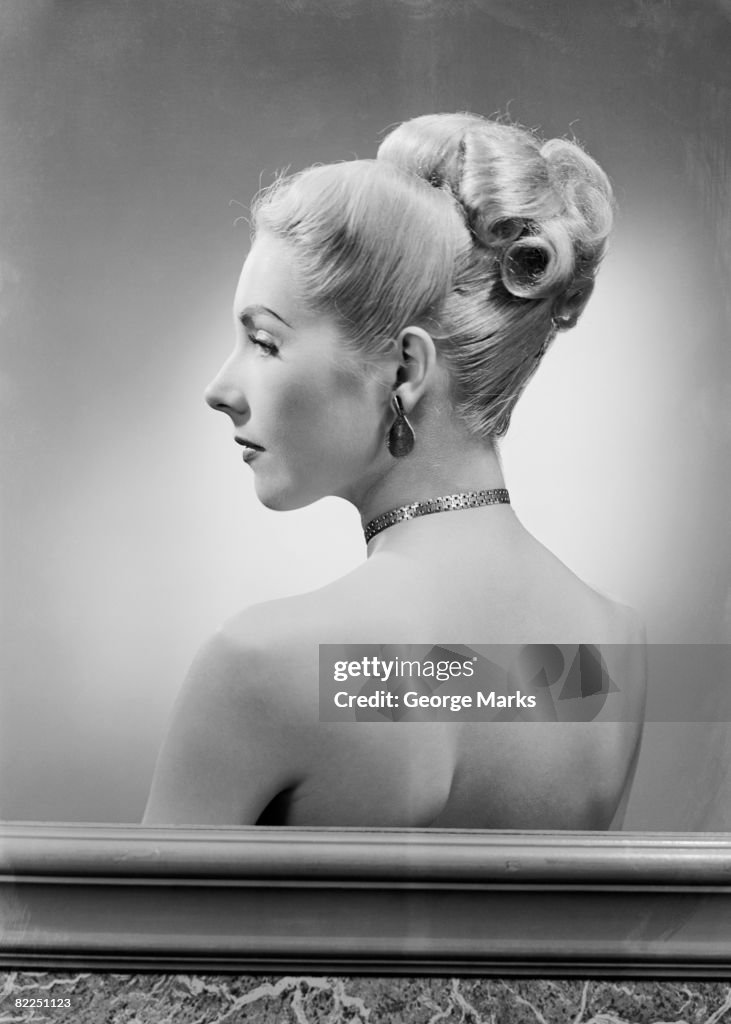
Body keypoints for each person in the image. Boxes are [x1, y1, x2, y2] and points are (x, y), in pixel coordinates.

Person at [143, 112, 646, 829]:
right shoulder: (609, 652)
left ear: (406, 368)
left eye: (263, 340)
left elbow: (138, 940)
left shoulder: (262, 664)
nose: (221, 389)